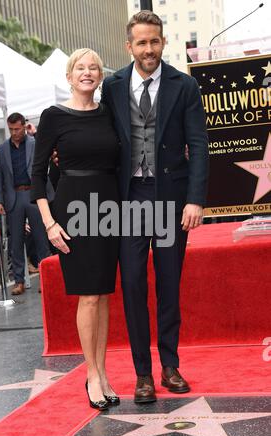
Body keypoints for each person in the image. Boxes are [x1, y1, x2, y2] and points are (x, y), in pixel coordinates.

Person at [101, 11, 209, 403]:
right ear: (129, 46)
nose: (149, 49)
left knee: (167, 284)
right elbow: (101, 136)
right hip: (128, 199)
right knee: (131, 285)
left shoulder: (184, 85)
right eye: (141, 43)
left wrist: (195, 198)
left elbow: (198, 145)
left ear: (163, 43)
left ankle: (169, 365)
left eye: (155, 41)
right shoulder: (112, 87)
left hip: (170, 197)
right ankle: (142, 374)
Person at [31, 49, 121, 411]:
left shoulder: (109, 114)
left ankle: (102, 371)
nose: (87, 73)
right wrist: (49, 221)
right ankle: (92, 375)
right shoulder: (53, 116)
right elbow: (37, 175)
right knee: (87, 295)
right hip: (72, 211)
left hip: (110, 208)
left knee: (102, 294)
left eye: (93, 68)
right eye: (80, 68)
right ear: (69, 76)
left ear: (100, 76)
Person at [0, 113, 53, 295]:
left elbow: (44, 169)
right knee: (16, 242)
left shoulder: (35, 144)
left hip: (35, 195)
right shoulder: (2, 149)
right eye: (11, 129)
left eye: (17, 129)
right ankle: (19, 281)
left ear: (24, 126)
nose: (14, 133)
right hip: (13, 198)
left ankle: (45, 279)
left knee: (42, 239)